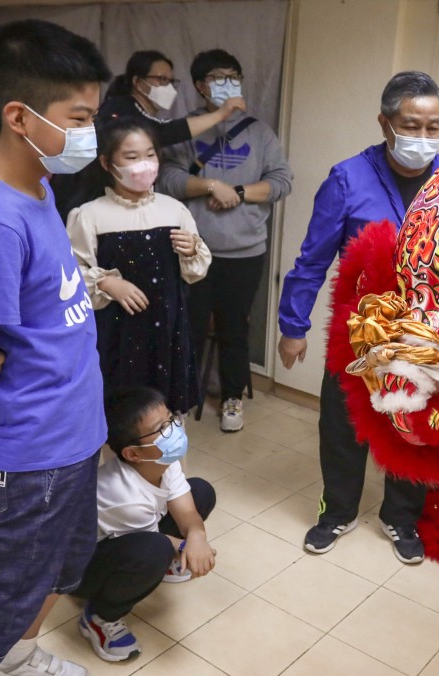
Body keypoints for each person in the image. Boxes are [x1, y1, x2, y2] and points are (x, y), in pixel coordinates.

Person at [0, 19, 110, 676]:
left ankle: (20, 661)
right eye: (81, 116)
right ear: (18, 115)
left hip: (70, 438)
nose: (91, 132)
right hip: (26, 455)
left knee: (59, 569)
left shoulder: (36, 182)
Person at [277, 71, 439, 564]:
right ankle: (337, 512)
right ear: (385, 122)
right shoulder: (347, 179)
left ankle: (400, 517)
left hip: (425, 334)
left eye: (432, 127)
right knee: (344, 427)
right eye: (411, 125)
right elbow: (311, 261)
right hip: (357, 333)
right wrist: (293, 327)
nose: (422, 137)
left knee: (414, 429)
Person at [160, 48, 293, 433]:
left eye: (233, 75)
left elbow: (282, 182)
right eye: (219, 77)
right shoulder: (184, 130)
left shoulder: (261, 132)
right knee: (190, 327)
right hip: (192, 249)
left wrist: (234, 190)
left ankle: (232, 396)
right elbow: (166, 178)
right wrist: (210, 185)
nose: (228, 83)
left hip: (245, 251)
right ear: (201, 86)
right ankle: (181, 400)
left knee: (236, 327)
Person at [67, 118, 210, 414]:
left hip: (168, 330)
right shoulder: (90, 215)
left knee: (168, 413)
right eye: (131, 157)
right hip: (115, 336)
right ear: (107, 163)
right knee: (120, 414)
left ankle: (169, 460)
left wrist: (193, 249)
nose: (143, 165)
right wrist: (105, 283)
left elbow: (195, 272)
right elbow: (70, 274)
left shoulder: (174, 210)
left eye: (150, 155)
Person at [74, 387, 216, 663]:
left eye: (170, 420)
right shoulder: (122, 495)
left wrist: (197, 537)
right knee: (154, 551)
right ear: (133, 454)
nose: (174, 430)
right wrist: (190, 547)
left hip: (131, 538)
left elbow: (187, 512)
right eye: (161, 429)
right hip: (83, 567)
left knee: (200, 491)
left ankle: (163, 564)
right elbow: (154, 541)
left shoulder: (161, 461)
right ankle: (100, 618)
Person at [51, 49, 246, 222]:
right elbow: (164, 132)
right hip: (82, 202)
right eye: (162, 80)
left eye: (171, 81)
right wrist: (220, 114)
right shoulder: (120, 109)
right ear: (138, 82)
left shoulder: (140, 113)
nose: (168, 86)